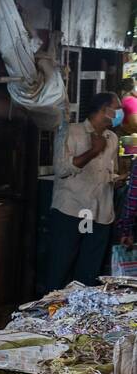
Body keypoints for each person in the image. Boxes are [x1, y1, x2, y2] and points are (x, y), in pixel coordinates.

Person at [48, 91, 123, 290]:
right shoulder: (70, 132)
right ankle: (50, 315)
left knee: (89, 273)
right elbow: (61, 169)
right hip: (73, 211)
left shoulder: (112, 138)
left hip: (100, 214)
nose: (120, 113)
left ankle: (80, 317)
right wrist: (93, 151)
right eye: (117, 108)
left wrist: (118, 180)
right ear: (104, 110)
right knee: (60, 267)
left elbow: (109, 173)